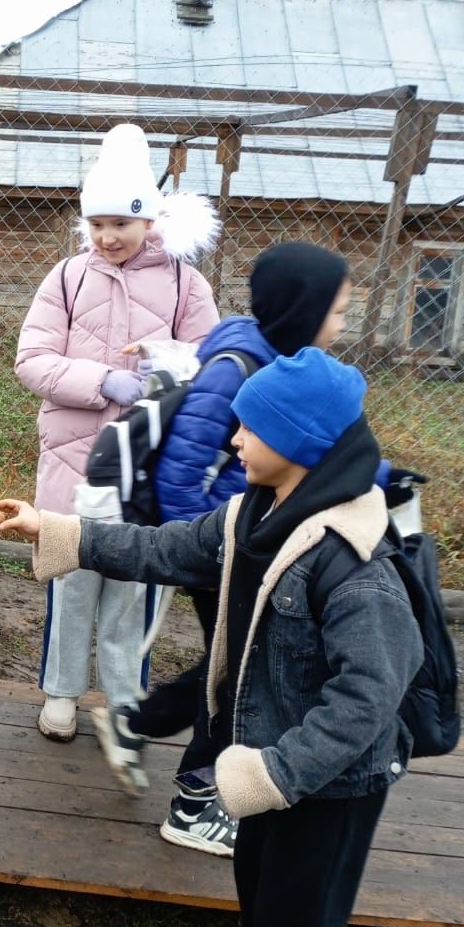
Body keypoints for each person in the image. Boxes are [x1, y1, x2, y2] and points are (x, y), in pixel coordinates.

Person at [0, 347, 422, 927]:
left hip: (328, 780)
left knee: (302, 926)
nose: (231, 441)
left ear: (299, 445)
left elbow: (370, 695)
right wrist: (54, 528)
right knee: (259, 885)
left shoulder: (353, 561)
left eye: (248, 429)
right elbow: (160, 549)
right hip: (268, 757)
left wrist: (276, 773)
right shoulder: (254, 515)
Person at [95, 242, 356, 858]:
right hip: (228, 548)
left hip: (254, 544)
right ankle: (194, 799)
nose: (343, 323)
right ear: (303, 308)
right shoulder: (239, 368)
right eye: (337, 310)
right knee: (238, 673)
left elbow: (321, 447)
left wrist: (379, 476)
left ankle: (138, 726)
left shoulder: (284, 366)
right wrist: (220, 552)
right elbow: (180, 473)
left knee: (237, 663)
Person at [15, 123, 219, 744]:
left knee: (136, 592)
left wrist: (161, 361)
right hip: (75, 464)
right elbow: (32, 360)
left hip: (151, 465)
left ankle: (126, 704)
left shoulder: (186, 282)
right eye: (97, 224)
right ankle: (61, 695)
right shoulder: (68, 278)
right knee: (73, 585)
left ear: (149, 219)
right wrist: (104, 380)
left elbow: (215, 360)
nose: (108, 238)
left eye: (121, 225)